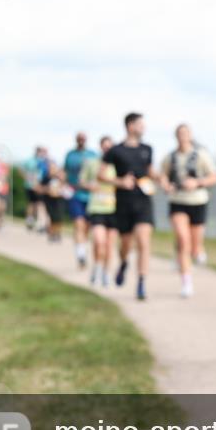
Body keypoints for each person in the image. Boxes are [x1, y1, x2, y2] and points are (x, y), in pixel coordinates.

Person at [160, 123, 216, 297]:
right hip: (177, 201)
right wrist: (166, 185)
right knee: (182, 239)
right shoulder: (170, 157)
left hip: (197, 201)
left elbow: (214, 177)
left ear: (190, 135)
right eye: (180, 133)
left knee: (194, 246)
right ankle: (186, 282)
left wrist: (197, 182)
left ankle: (198, 250)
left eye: (185, 133)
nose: (183, 136)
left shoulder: (201, 155)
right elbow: (162, 175)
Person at [101, 112, 156, 301]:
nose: (143, 127)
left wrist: (162, 179)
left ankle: (141, 282)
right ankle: (124, 262)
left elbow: (150, 172)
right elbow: (101, 175)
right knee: (125, 244)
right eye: (140, 124)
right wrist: (120, 181)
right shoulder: (115, 150)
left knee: (143, 241)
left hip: (143, 201)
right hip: (124, 203)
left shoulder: (147, 149)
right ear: (130, 126)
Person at [79, 135, 118, 287]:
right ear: (101, 147)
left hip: (114, 208)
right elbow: (82, 181)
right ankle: (97, 267)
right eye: (105, 146)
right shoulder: (92, 163)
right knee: (99, 241)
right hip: (97, 207)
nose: (107, 149)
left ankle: (105, 273)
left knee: (109, 245)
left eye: (110, 147)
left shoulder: (118, 165)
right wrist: (90, 186)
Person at [64, 133, 99, 269]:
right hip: (75, 194)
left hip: (90, 196)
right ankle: (81, 255)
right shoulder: (70, 155)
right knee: (79, 224)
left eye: (83, 139)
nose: (81, 141)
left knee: (86, 227)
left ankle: (81, 247)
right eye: (79, 139)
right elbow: (65, 173)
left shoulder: (93, 154)